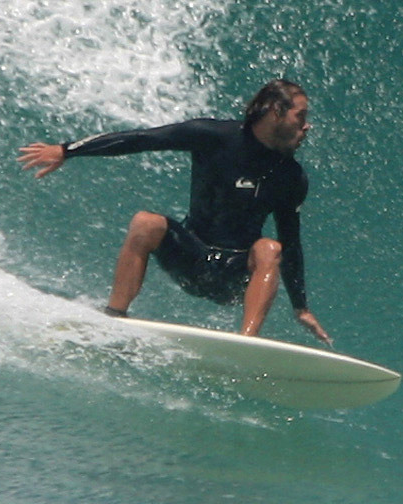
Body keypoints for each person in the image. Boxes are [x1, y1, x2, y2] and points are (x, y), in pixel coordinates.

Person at [17, 79, 331, 344]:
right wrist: (69, 150)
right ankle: (113, 317)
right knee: (146, 223)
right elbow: (142, 139)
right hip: (191, 256)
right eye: (299, 116)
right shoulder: (213, 137)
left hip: (235, 274)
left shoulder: (291, 176)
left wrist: (300, 306)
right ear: (276, 112)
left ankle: (247, 343)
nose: (307, 126)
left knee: (269, 248)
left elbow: (290, 242)